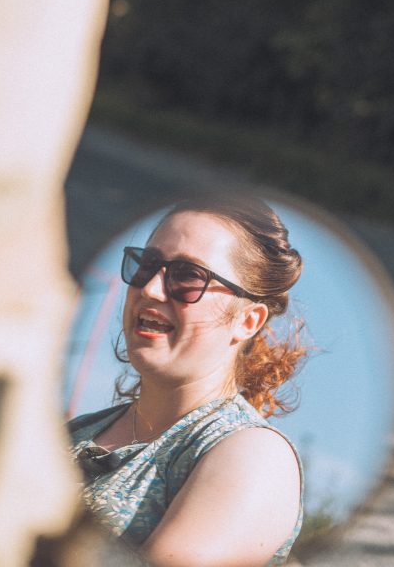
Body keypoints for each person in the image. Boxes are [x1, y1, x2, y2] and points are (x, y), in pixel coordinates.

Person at [68, 194, 306, 566]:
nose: (149, 289)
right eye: (147, 265)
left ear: (248, 321)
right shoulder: (78, 432)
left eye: (188, 276)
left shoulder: (252, 457)